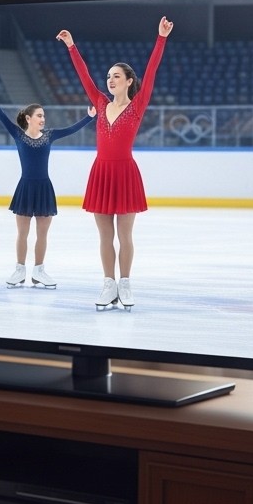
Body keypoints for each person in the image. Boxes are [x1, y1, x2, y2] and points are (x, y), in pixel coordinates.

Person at [55, 16, 173, 310]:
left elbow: (152, 69)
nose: (110, 80)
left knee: (125, 235)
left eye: (116, 76)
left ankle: (125, 284)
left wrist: (161, 38)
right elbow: (84, 77)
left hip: (125, 172)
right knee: (105, 235)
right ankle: (109, 284)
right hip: (102, 172)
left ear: (129, 81)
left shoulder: (138, 105)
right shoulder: (99, 102)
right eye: (109, 76)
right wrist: (71, 46)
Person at [0, 73, 95, 289]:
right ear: (28, 118)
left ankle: (39, 271)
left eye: (44, 116)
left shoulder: (49, 135)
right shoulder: (18, 134)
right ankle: (20, 270)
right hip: (25, 187)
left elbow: (71, 130)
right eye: (39, 115)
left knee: (42, 234)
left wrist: (89, 117)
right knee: (22, 233)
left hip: (44, 188)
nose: (43, 119)